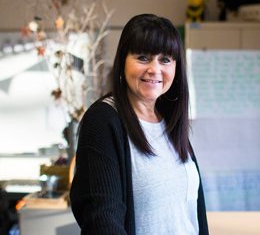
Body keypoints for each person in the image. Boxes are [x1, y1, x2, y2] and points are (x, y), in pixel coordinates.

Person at [70, 14, 209, 234]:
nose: (155, 69)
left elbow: (190, 214)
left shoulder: (170, 122)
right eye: (143, 57)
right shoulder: (104, 120)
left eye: (165, 60)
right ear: (123, 61)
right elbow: (101, 219)